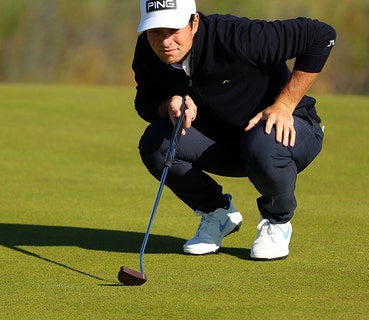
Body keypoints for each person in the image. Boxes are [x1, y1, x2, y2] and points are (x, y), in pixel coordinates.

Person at [133, 0, 336, 260]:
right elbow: (145, 104)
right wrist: (169, 103)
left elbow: (321, 35)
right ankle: (217, 214)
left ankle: (277, 221)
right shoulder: (148, 52)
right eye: (155, 32)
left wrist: (285, 103)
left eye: (173, 30)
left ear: (194, 23)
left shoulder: (238, 37)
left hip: (287, 134)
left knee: (262, 143)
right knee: (156, 143)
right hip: (223, 143)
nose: (165, 41)